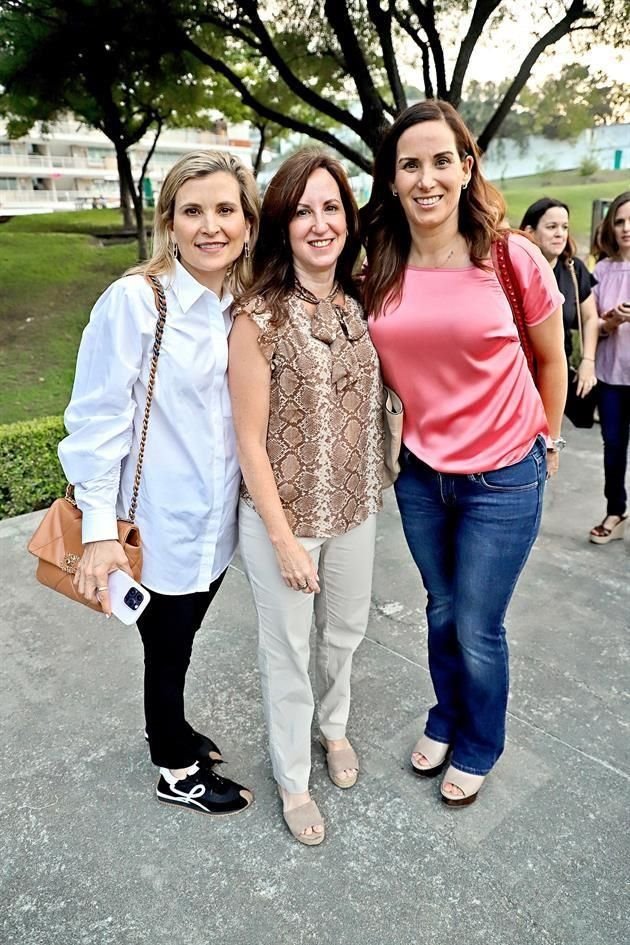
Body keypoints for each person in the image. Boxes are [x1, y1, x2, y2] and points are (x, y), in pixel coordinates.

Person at [362, 100, 567, 807]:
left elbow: (551, 359)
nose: (426, 178)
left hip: (504, 479)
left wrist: (550, 438)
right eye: (409, 164)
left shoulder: (512, 257)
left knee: (479, 625)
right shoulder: (380, 265)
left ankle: (481, 739)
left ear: (467, 166)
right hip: (421, 477)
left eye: (441, 160)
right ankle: (445, 714)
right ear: (391, 180)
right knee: (441, 608)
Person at [58, 151, 260, 817]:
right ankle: (175, 765)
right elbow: (96, 419)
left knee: (177, 642)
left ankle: (170, 727)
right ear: (168, 221)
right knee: (167, 646)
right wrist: (96, 534)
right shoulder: (136, 301)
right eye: (192, 210)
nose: (210, 225)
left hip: (214, 526)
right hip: (156, 528)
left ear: (248, 221)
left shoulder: (243, 303)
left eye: (225, 209)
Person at [228, 150, 384, 845]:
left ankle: (335, 729)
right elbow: (249, 440)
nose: (319, 224)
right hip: (281, 518)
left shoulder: (362, 298)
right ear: (282, 224)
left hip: (355, 507)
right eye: (303, 211)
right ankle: (293, 776)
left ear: (348, 219)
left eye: (332, 208)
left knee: (344, 633)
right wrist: (285, 540)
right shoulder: (258, 316)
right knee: (288, 648)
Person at [520, 197, 598, 402]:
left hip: (555, 377)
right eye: (551, 227)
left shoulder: (574, 269)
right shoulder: (514, 270)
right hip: (518, 377)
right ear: (529, 232)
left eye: (564, 227)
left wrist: (588, 361)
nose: (560, 234)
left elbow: (590, 317)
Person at [588, 191, 630, 544]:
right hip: (611, 377)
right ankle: (616, 510)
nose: (627, 228)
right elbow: (592, 327)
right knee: (614, 446)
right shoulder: (601, 270)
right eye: (620, 221)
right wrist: (611, 321)